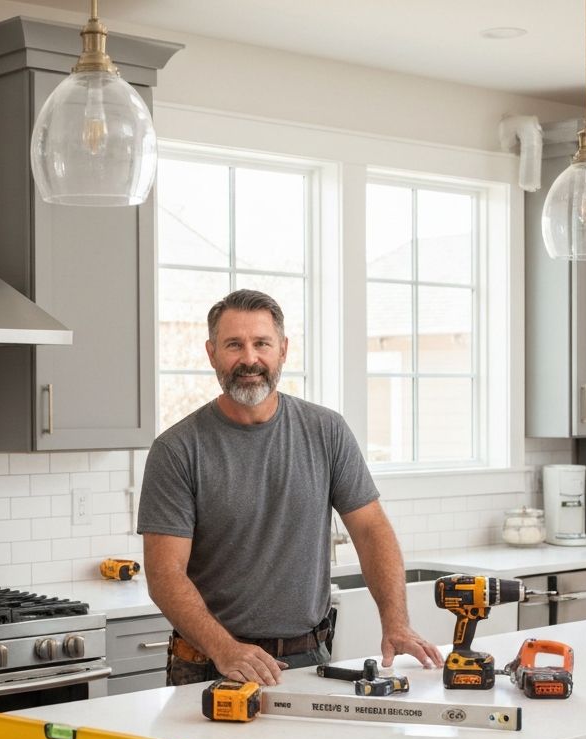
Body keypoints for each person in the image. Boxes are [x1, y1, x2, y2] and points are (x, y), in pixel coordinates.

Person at [137, 289, 443, 687]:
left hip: (307, 658)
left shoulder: (326, 431)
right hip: (209, 663)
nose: (249, 359)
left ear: (283, 350)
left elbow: (371, 529)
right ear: (212, 354)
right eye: (234, 345)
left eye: (261, 343)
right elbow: (165, 575)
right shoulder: (177, 449)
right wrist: (226, 650)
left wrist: (396, 622)